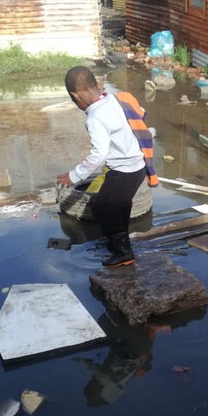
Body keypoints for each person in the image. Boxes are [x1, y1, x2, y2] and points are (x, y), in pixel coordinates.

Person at [56, 66, 155, 267]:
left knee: (102, 207)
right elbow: (140, 113)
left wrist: (75, 175)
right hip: (137, 166)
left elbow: (99, 154)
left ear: (76, 96)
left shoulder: (95, 117)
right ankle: (119, 241)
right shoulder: (116, 99)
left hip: (124, 170)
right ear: (96, 84)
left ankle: (123, 252)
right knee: (120, 204)